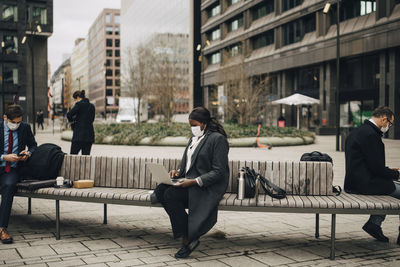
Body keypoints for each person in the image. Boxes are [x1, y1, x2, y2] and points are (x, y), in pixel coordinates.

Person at [154, 107, 229, 258]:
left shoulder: (217, 139)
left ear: (203, 124)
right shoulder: (193, 139)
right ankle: (189, 232)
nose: (192, 128)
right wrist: (177, 173)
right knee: (161, 190)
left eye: (194, 124)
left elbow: (219, 172)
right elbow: (190, 164)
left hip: (206, 186)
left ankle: (187, 239)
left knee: (170, 195)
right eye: (190, 125)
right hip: (190, 181)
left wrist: (193, 181)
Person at [344, 106, 400, 244]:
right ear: (383, 119)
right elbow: (377, 169)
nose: (389, 127)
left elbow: (370, 164)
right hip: (366, 184)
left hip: (355, 182)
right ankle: (376, 225)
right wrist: (396, 174)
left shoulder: (358, 131)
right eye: (390, 123)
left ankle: (374, 224)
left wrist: (392, 172)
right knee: (394, 188)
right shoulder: (371, 135)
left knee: (392, 187)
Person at [0, 104, 37, 244]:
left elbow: (33, 145)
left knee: (9, 186)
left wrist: (28, 152)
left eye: (18, 122)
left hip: (12, 169)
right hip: (2, 163)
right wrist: (4, 157)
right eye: (13, 122)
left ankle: (2, 228)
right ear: (5, 118)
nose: (16, 125)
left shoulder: (25, 127)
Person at [67, 90, 95, 155]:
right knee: (85, 159)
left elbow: (69, 114)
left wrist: (72, 123)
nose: (75, 101)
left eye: (75, 99)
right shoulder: (92, 106)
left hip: (78, 135)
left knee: (73, 157)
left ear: (78, 97)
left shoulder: (79, 105)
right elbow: (92, 120)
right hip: (89, 136)